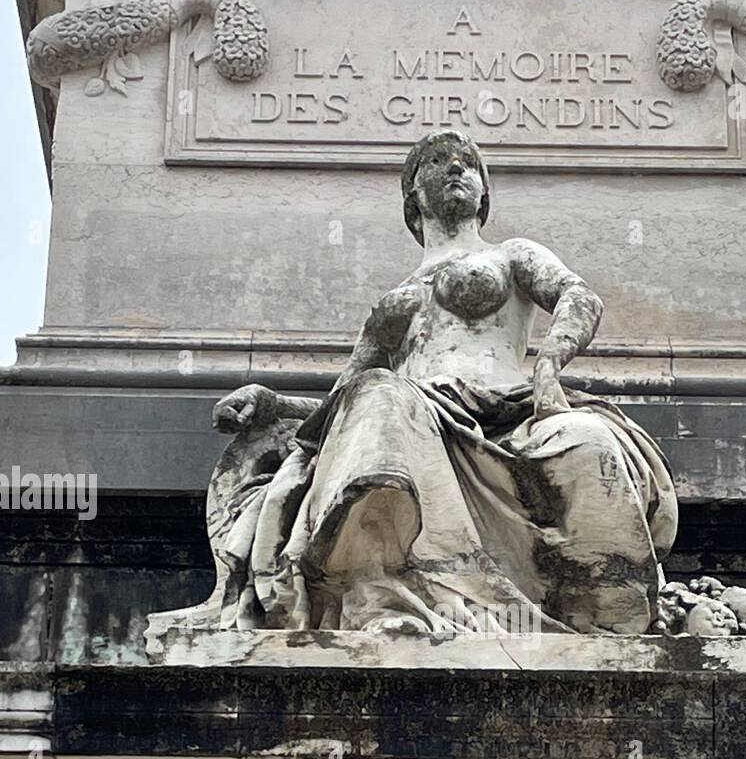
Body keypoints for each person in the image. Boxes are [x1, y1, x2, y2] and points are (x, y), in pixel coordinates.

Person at [210, 130, 677, 636]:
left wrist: (547, 370)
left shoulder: (510, 255)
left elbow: (579, 297)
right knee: (377, 393)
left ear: (484, 193)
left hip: (508, 409)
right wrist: (272, 403)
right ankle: (385, 598)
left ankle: (596, 616)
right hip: (415, 415)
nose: (455, 168)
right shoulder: (395, 300)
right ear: (413, 197)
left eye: (467, 164)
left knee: (590, 440)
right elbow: (336, 409)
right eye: (436, 161)